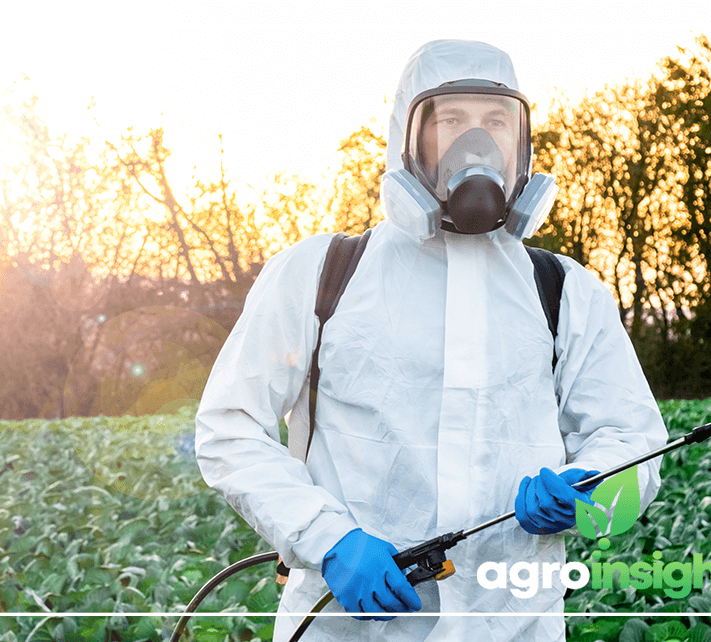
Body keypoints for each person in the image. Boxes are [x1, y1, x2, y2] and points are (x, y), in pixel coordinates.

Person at [194, 40, 668, 641]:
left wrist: (595, 483)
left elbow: (632, 440)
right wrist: (329, 540)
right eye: (452, 120)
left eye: (496, 122)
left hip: (516, 627)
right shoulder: (322, 274)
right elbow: (229, 426)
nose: (479, 143)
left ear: (521, 140)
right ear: (407, 136)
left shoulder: (565, 291)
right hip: (348, 629)